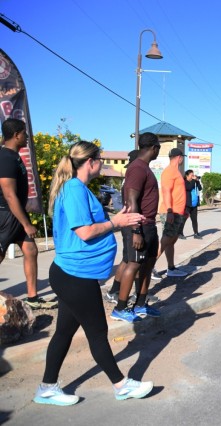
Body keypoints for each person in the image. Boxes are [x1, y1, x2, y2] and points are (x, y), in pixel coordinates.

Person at [33, 141, 152, 406]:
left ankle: (47, 387)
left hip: (73, 274)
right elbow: (84, 232)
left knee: (63, 333)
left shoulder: (78, 188)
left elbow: (94, 225)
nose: (102, 163)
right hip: (75, 276)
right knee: (97, 333)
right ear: (91, 162)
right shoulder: (74, 189)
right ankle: (121, 385)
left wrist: (122, 219)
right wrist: (116, 223)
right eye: (100, 158)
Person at [0, 118, 57, 309]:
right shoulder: (6, 158)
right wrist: (26, 223)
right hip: (6, 215)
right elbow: (9, 194)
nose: (27, 136)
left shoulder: (12, 155)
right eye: (24, 133)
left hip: (16, 214)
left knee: (31, 251)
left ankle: (33, 299)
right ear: (16, 135)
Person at [110, 134, 162, 322]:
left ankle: (141, 304)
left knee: (147, 265)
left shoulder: (144, 168)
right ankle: (120, 308)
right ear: (154, 148)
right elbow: (132, 201)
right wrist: (136, 231)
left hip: (149, 224)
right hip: (138, 226)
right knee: (133, 265)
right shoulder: (138, 168)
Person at [156, 148, 188, 277]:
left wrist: (184, 210)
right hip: (171, 212)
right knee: (166, 240)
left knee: (171, 240)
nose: (182, 160)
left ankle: (171, 268)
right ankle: (150, 267)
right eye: (182, 157)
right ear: (179, 157)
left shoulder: (176, 172)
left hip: (178, 212)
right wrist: (169, 210)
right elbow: (166, 191)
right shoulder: (169, 172)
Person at [178, 170, 203, 239]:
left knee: (194, 220)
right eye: (191, 175)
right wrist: (194, 181)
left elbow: (200, 188)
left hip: (194, 204)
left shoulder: (194, 182)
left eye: (193, 175)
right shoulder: (184, 182)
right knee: (184, 219)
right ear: (187, 176)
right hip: (187, 204)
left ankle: (196, 233)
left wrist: (197, 181)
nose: (193, 176)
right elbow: (188, 188)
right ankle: (180, 233)